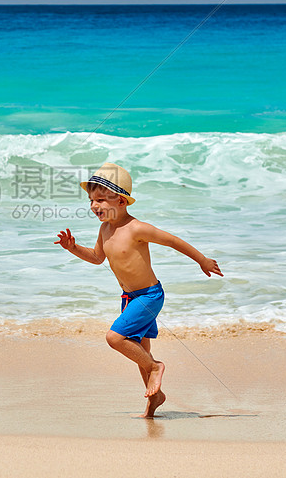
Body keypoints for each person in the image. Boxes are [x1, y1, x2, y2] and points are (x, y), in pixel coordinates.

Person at [54, 162, 223, 418]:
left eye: (100, 199)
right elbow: (98, 258)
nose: (93, 206)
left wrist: (201, 260)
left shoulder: (137, 229)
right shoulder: (105, 229)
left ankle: (156, 369)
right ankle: (154, 400)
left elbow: (173, 241)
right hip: (129, 298)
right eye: (91, 200)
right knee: (141, 351)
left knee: (115, 338)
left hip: (148, 296)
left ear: (121, 201)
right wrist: (73, 248)